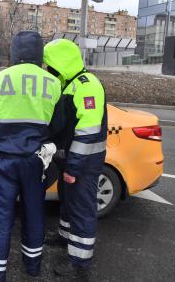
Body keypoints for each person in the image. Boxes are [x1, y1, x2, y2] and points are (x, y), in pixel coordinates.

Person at [0, 31, 64, 281]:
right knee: (35, 214)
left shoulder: (1, 79)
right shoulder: (53, 82)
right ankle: (33, 266)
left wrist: (6, 133)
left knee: (2, 219)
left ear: (14, 52)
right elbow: (57, 126)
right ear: (39, 54)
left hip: (5, 161)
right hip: (36, 161)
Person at [43, 39, 108, 278]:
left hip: (83, 163)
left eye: (50, 64)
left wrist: (74, 167)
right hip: (70, 159)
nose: (48, 69)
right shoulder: (68, 84)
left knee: (82, 208)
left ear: (62, 62)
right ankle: (65, 238)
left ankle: (79, 260)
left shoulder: (86, 85)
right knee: (68, 201)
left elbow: (88, 133)